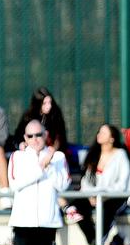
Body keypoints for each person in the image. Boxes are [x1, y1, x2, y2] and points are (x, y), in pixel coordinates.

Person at [13, 87, 80, 224]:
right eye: (44, 103)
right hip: (33, 158)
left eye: (50, 102)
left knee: (51, 180)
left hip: (51, 155)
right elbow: (18, 137)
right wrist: (23, 144)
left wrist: (51, 152)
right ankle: (66, 208)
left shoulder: (56, 115)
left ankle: (66, 207)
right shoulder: (28, 117)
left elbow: (60, 139)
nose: (48, 106)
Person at [70, 124, 130, 245]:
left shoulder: (120, 155)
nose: (99, 134)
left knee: (107, 209)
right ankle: (93, 239)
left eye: (104, 132)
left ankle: (98, 241)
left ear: (112, 138)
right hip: (94, 196)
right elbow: (86, 181)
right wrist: (91, 196)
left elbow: (122, 183)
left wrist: (102, 195)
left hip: (116, 196)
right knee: (77, 205)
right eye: (99, 131)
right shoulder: (93, 155)